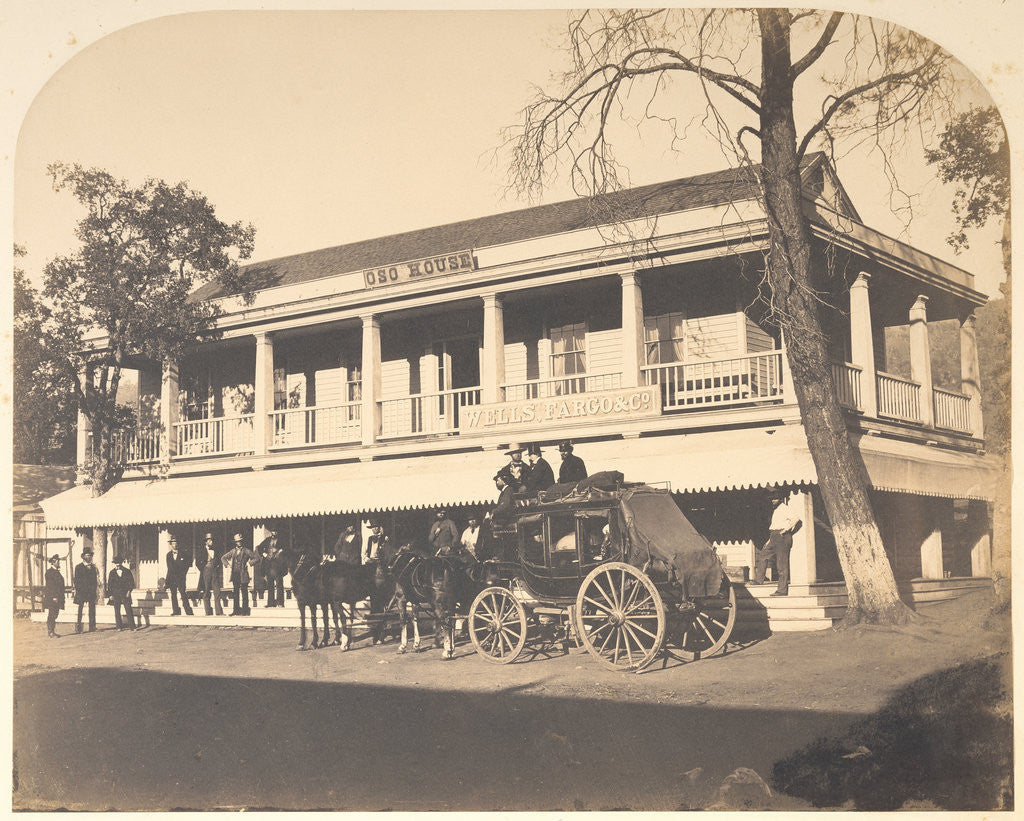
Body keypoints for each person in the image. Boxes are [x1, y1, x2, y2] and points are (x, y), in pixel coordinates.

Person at [753, 490, 803, 596]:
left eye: (775, 499)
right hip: (774, 536)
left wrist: (786, 530)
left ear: (780, 499)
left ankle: (782, 590)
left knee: (781, 565)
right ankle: (758, 580)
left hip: (782, 537)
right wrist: (769, 540)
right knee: (763, 555)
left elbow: (797, 519)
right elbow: (774, 526)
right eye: (771, 499)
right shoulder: (776, 510)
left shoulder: (785, 508)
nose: (772, 501)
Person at [222, 532, 257, 616]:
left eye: (240, 541)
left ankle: (245, 611)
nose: (239, 542)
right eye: (237, 541)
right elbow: (223, 558)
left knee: (244, 593)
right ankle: (236, 610)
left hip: (243, 574)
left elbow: (256, 558)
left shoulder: (246, 550)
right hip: (235, 574)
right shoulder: (233, 551)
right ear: (235, 542)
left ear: (242, 541)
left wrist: (249, 563)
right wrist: (227, 564)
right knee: (235, 593)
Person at [195, 532, 225, 616]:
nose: (211, 542)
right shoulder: (201, 550)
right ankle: (208, 612)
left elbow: (219, 560)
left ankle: (219, 612)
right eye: (209, 540)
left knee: (217, 592)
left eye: (212, 540)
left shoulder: (215, 550)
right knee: (206, 591)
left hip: (214, 572)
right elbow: (197, 562)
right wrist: (203, 569)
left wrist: (216, 567)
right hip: (206, 572)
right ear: (206, 542)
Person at [73, 547, 100, 633]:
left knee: (92, 609)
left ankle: (92, 626)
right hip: (82, 591)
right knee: (80, 609)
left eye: (90, 556)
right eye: (87, 555)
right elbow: (76, 580)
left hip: (91, 592)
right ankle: (79, 627)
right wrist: (79, 590)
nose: (88, 557)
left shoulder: (93, 567)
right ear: (83, 556)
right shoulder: (78, 567)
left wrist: (96, 591)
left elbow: (95, 581)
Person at [165, 536, 193, 616]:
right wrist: (167, 581)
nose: (175, 545)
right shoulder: (168, 555)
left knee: (183, 594)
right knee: (173, 595)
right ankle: (176, 611)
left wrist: (183, 574)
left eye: (176, 543)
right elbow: (169, 568)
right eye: (173, 543)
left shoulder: (183, 554)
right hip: (172, 578)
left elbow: (187, 566)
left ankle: (188, 611)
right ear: (171, 545)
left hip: (181, 578)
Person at [107, 554, 137, 630]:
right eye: (116, 563)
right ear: (114, 563)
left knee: (128, 609)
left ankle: (132, 626)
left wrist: (129, 591)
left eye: (119, 563)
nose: (118, 565)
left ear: (122, 563)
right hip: (116, 593)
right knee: (117, 610)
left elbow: (131, 582)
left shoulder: (127, 571)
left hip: (125, 593)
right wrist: (110, 594)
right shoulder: (112, 572)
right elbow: (110, 584)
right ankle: (119, 626)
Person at [257, 530, 286, 607]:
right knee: (270, 584)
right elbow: (259, 547)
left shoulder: (282, 540)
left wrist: (281, 551)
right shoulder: (267, 540)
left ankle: (280, 603)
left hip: (278, 565)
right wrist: (264, 554)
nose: (274, 533)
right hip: (268, 565)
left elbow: (286, 549)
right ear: (271, 532)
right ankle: (270, 603)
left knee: (279, 584)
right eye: (273, 531)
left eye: (276, 531)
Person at [44, 555, 66, 638]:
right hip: (52, 598)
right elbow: (51, 586)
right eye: (57, 561)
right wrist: (54, 596)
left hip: (58, 597)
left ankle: (52, 631)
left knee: (55, 614)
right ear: (53, 562)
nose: (59, 563)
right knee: (52, 614)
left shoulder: (56, 571)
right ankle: (50, 632)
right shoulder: (49, 572)